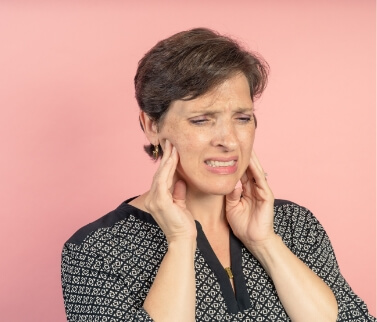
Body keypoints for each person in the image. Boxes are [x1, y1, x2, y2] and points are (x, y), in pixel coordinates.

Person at [61, 28, 376, 321]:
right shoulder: (97, 250)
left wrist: (265, 241)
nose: (229, 140)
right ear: (152, 126)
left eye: (242, 117)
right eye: (202, 119)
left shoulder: (296, 226)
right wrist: (181, 241)